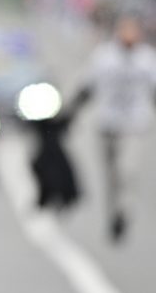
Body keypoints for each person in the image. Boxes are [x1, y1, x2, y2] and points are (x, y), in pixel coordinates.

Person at [66, 14, 156, 242]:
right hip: (107, 124)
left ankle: (124, 212)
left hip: (134, 126)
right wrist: (69, 113)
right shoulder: (104, 57)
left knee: (128, 171)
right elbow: (87, 87)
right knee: (111, 177)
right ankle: (113, 216)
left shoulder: (147, 60)